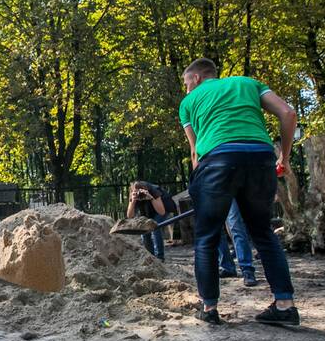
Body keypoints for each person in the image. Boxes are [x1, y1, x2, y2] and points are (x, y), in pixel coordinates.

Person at [179, 57, 299, 326]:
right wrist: (285, 159)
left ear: (196, 79)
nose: (186, 90)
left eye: (186, 84)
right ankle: (285, 304)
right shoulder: (248, 83)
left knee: (207, 236)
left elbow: (195, 152)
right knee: (263, 232)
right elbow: (288, 113)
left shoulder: (189, 102)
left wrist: (200, 185)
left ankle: (209, 308)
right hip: (261, 158)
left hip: (217, 161)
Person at [126, 181, 176, 261]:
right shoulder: (133, 193)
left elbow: (162, 212)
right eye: (136, 192)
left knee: (155, 227)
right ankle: (150, 257)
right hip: (148, 210)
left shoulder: (153, 190)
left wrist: (151, 197)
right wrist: (133, 202)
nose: (139, 194)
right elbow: (129, 216)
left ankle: (160, 257)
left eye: (140, 192)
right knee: (144, 230)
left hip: (163, 207)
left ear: (145, 189)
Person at [217, 201, 258, 287]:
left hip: (229, 189)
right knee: (216, 229)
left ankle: (247, 269)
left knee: (236, 225)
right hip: (209, 190)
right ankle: (227, 267)